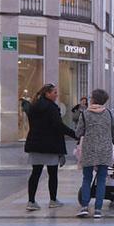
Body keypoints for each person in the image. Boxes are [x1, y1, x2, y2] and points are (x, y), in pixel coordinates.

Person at [24, 83, 77, 211]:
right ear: (47, 93)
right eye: (54, 92)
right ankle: (53, 200)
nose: (56, 95)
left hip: (35, 143)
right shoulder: (52, 108)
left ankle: (31, 201)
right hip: (51, 144)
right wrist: (74, 134)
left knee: (35, 173)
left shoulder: (34, 106)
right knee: (52, 173)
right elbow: (58, 125)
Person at [75, 89, 114, 218]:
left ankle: (84, 207)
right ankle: (98, 210)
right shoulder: (109, 114)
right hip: (104, 150)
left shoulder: (85, 114)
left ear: (93, 99)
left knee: (87, 178)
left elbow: (78, 132)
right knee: (101, 179)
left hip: (89, 149)